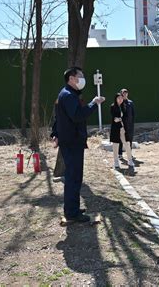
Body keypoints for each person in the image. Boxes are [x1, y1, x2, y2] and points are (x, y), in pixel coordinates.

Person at [53, 67, 105, 223]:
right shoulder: (68, 95)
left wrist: (55, 134)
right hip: (72, 142)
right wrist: (93, 103)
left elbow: (59, 117)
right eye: (80, 76)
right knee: (73, 177)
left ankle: (72, 208)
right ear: (71, 78)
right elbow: (77, 116)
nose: (83, 79)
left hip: (72, 140)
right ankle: (71, 213)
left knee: (75, 177)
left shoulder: (68, 94)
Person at [110, 93, 134, 170]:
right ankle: (116, 161)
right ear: (116, 99)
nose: (120, 99)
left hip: (124, 129)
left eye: (121, 98)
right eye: (118, 98)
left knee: (127, 144)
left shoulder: (125, 106)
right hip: (116, 129)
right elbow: (114, 118)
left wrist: (120, 119)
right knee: (115, 145)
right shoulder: (113, 106)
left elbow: (126, 117)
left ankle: (130, 160)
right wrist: (120, 119)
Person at [118, 88, 135, 161]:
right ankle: (120, 154)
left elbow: (133, 113)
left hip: (130, 124)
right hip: (122, 124)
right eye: (123, 93)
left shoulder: (130, 102)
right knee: (121, 139)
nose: (125, 94)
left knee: (129, 139)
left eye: (126, 93)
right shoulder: (119, 102)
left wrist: (132, 122)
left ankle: (130, 153)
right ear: (121, 94)